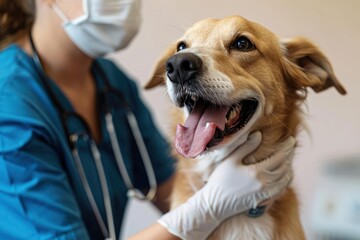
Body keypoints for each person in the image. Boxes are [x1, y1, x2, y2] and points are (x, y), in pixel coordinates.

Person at [0, 0, 295, 239]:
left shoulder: (113, 84)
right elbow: (193, 209)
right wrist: (208, 207)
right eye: (182, 50)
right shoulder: (8, 102)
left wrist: (247, 196)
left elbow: (170, 188)